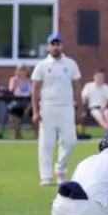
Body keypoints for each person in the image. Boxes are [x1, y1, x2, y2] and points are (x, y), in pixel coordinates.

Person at [31, 33, 82, 186]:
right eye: (52, 44)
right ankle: (46, 176)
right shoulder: (42, 65)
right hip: (48, 107)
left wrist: (80, 109)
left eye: (58, 44)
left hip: (66, 107)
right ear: (48, 47)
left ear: (62, 46)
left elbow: (77, 87)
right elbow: (35, 90)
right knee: (46, 144)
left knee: (70, 141)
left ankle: (60, 169)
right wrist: (35, 112)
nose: (55, 47)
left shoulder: (71, 64)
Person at [8, 64, 32, 140]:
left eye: (24, 70)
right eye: (20, 70)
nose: (22, 72)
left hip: (28, 103)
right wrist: (14, 86)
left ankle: (37, 134)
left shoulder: (30, 81)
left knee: (34, 111)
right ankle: (15, 133)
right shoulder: (14, 80)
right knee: (12, 111)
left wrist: (29, 107)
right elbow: (11, 91)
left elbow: (33, 94)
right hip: (17, 103)